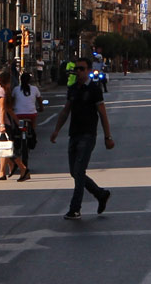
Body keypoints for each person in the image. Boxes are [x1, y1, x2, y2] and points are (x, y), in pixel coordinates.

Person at [51, 57, 115, 220]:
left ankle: (75, 208)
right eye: (77, 68)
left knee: (79, 171)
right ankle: (100, 194)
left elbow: (102, 113)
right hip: (74, 134)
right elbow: (66, 111)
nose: (78, 71)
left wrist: (108, 137)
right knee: (74, 172)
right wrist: (56, 130)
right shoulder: (72, 88)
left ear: (87, 70)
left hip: (88, 135)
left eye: (82, 69)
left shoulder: (94, 89)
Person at [10, 73, 44, 182]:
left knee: (15, 127)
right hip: (31, 115)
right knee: (33, 126)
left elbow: (11, 102)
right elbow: (40, 101)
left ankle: (16, 134)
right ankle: (32, 134)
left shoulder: (16, 89)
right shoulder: (34, 89)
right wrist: (41, 108)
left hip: (18, 115)